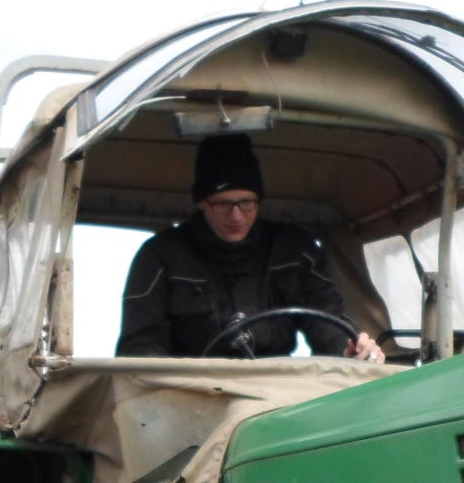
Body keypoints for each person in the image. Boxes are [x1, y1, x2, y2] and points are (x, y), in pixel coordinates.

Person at [116, 132, 385, 362]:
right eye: (223, 204)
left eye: (246, 203)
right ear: (201, 203)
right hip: (191, 391)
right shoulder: (160, 257)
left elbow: (328, 322)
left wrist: (351, 350)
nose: (236, 216)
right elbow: (140, 346)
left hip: (279, 391)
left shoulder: (295, 251)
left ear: (259, 200)